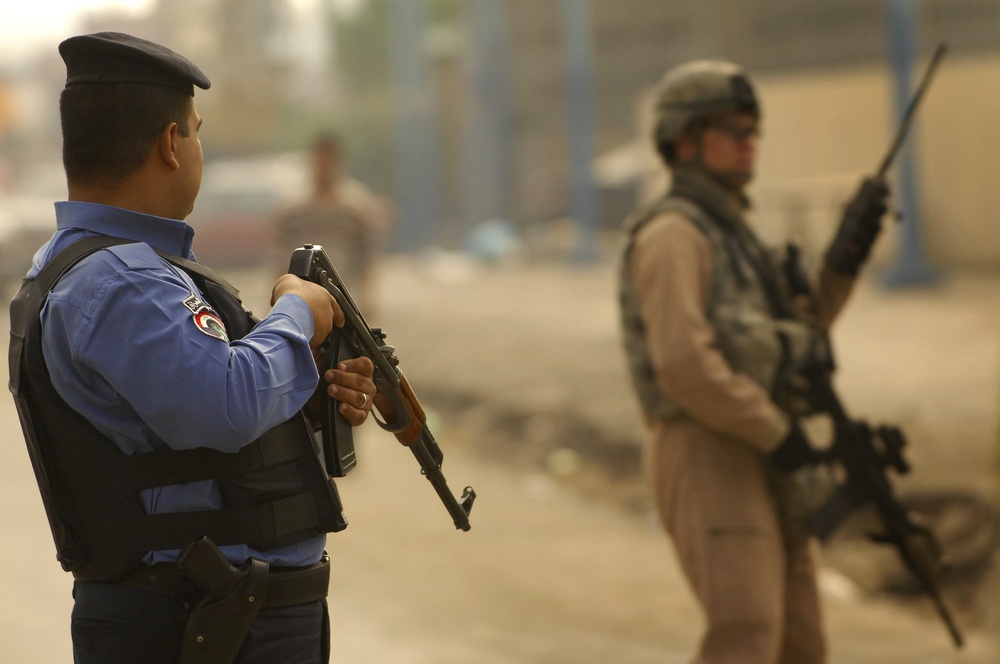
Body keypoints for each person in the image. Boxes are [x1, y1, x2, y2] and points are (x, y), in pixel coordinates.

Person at [8, 32, 377, 664]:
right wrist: (299, 310)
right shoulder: (123, 280)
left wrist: (306, 396)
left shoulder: (105, 267)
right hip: (202, 621)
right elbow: (225, 403)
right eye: (196, 131)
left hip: (210, 615)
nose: (198, 147)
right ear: (169, 146)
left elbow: (182, 435)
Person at [617, 59, 889, 663]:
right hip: (707, 445)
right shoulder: (673, 235)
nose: (749, 142)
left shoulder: (735, 233)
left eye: (753, 129)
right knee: (745, 633)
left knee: (800, 644)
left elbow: (798, 337)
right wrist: (776, 431)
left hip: (762, 445)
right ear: (683, 140)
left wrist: (843, 262)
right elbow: (684, 367)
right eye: (731, 128)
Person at [273, 133, 392, 317]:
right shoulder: (293, 209)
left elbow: (367, 257)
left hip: (343, 299)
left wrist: (367, 298)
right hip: (302, 301)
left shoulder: (356, 206)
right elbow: (281, 258)